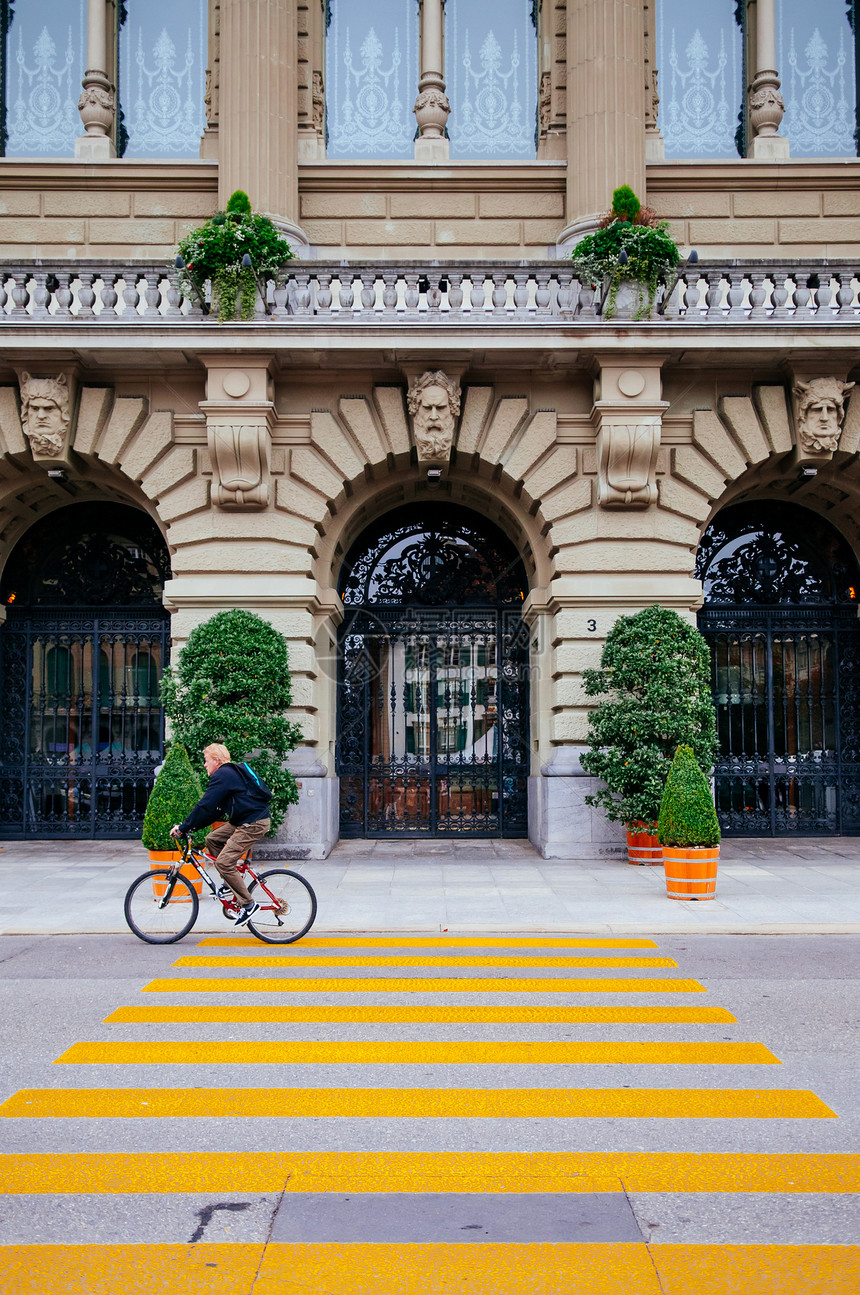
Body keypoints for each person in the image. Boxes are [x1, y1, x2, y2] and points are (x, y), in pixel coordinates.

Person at [170, 742, 271, 925]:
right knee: (212, 839)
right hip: (244, 819)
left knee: (224, 862)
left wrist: (183, 827)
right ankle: (231, 882)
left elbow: (204, 804)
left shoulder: (223, 774)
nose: (204, 765)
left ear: (216, 760)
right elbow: (213, 811)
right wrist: (191, 827)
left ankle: (248, 905)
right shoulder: (228, 774)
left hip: (253, 823)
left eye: (206, 761)